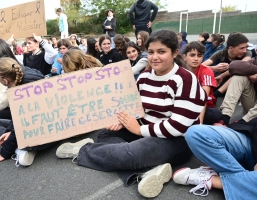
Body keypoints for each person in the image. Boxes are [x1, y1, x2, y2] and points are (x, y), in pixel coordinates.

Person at [55, 29, 207, 198]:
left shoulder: (185, 79)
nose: (154, 57)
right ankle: (145, 172)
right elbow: (134, 107)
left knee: (130, 154)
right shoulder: (144, 76)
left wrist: (138, 130)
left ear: (175, 52)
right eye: (151, 52)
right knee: (106, 134)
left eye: (161, 52)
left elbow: (178, 126)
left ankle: (84, 150)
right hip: (144, 129)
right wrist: (122, 121)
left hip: (176, 140)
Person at [0, 57, 45, 165]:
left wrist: (4, 153)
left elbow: (22, 125)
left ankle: (20, 150)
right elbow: (18, 119)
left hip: (40, 136)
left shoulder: (21, 92)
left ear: (5, 80)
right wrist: (9, 131)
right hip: (41, 128)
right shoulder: (29, 75)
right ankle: (18, 147)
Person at [173, 123, 257, 199]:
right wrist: (232, 125)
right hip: (252, 139)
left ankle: (213, 180)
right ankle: (247, 182)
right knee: (195, 133)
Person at [182, 41, 222, 125]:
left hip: (203, 105)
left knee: (214, 114)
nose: (196, 58)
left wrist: (199, 125)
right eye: (192, 55)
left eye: (199, 56)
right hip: (184, 103)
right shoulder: (179, 70)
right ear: (184, 57)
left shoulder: (206, 71)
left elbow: (203, 99)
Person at [202, 32, 251, 98]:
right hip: (220, 84)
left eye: (246, 47)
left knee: (239, 73)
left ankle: (215, 95)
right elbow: (201, 66)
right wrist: (214, 68)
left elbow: (240, 66)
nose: (245, 50)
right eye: (242, 48)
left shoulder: (247, 53)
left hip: (237, 89)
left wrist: (223, 75)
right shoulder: (221, 53)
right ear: (231, 48)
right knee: (207, 73)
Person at [220, 56, 257, 125]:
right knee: (239, 77)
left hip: (253, 116)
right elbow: (234, 66)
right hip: (253, 105)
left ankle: (242, 123)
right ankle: (225, 118)